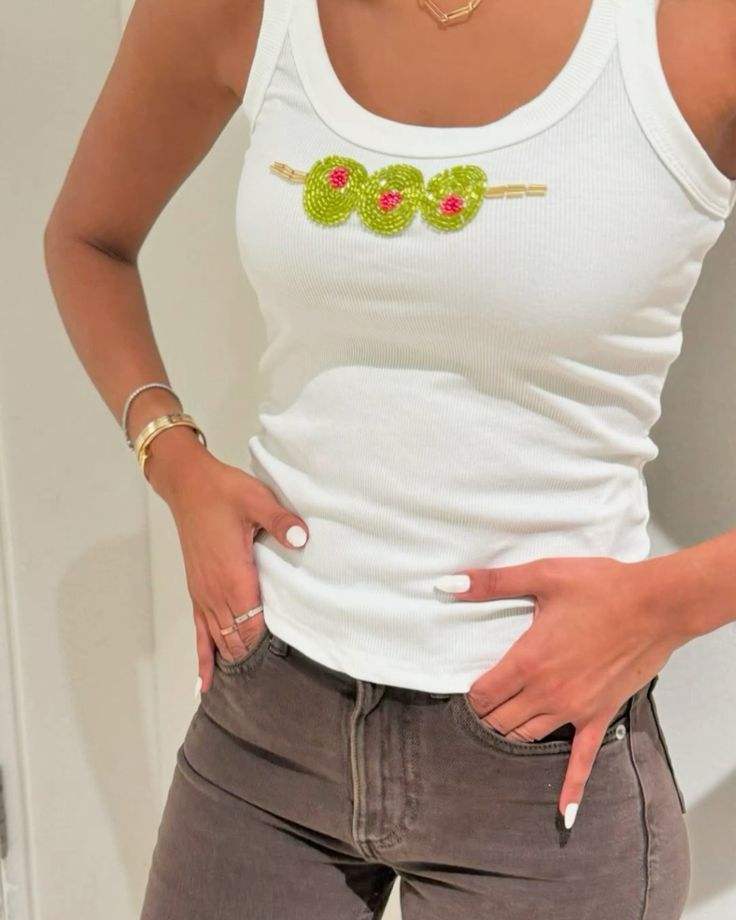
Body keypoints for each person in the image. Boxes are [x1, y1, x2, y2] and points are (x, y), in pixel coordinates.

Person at [43, 0, 736, 917]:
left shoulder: (697, 29)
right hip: (266, 718)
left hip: (544, 752)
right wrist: (173, 460)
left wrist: (669, 604)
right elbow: (88, 239)